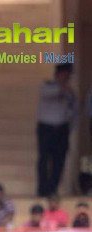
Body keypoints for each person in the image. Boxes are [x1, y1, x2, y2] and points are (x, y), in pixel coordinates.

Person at [36, 63, 77, 197]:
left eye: (68, 75)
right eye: (64, 74)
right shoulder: (47, 85)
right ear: (58, 74)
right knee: (44, 159)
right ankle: (42, 190)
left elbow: (74, 109)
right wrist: (62, 88)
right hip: (46, 127)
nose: (66, 77)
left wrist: (71, 127)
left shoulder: (70, 91)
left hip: (62, 128)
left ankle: (52, 189)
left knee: (59, 161)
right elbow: (48, 94)